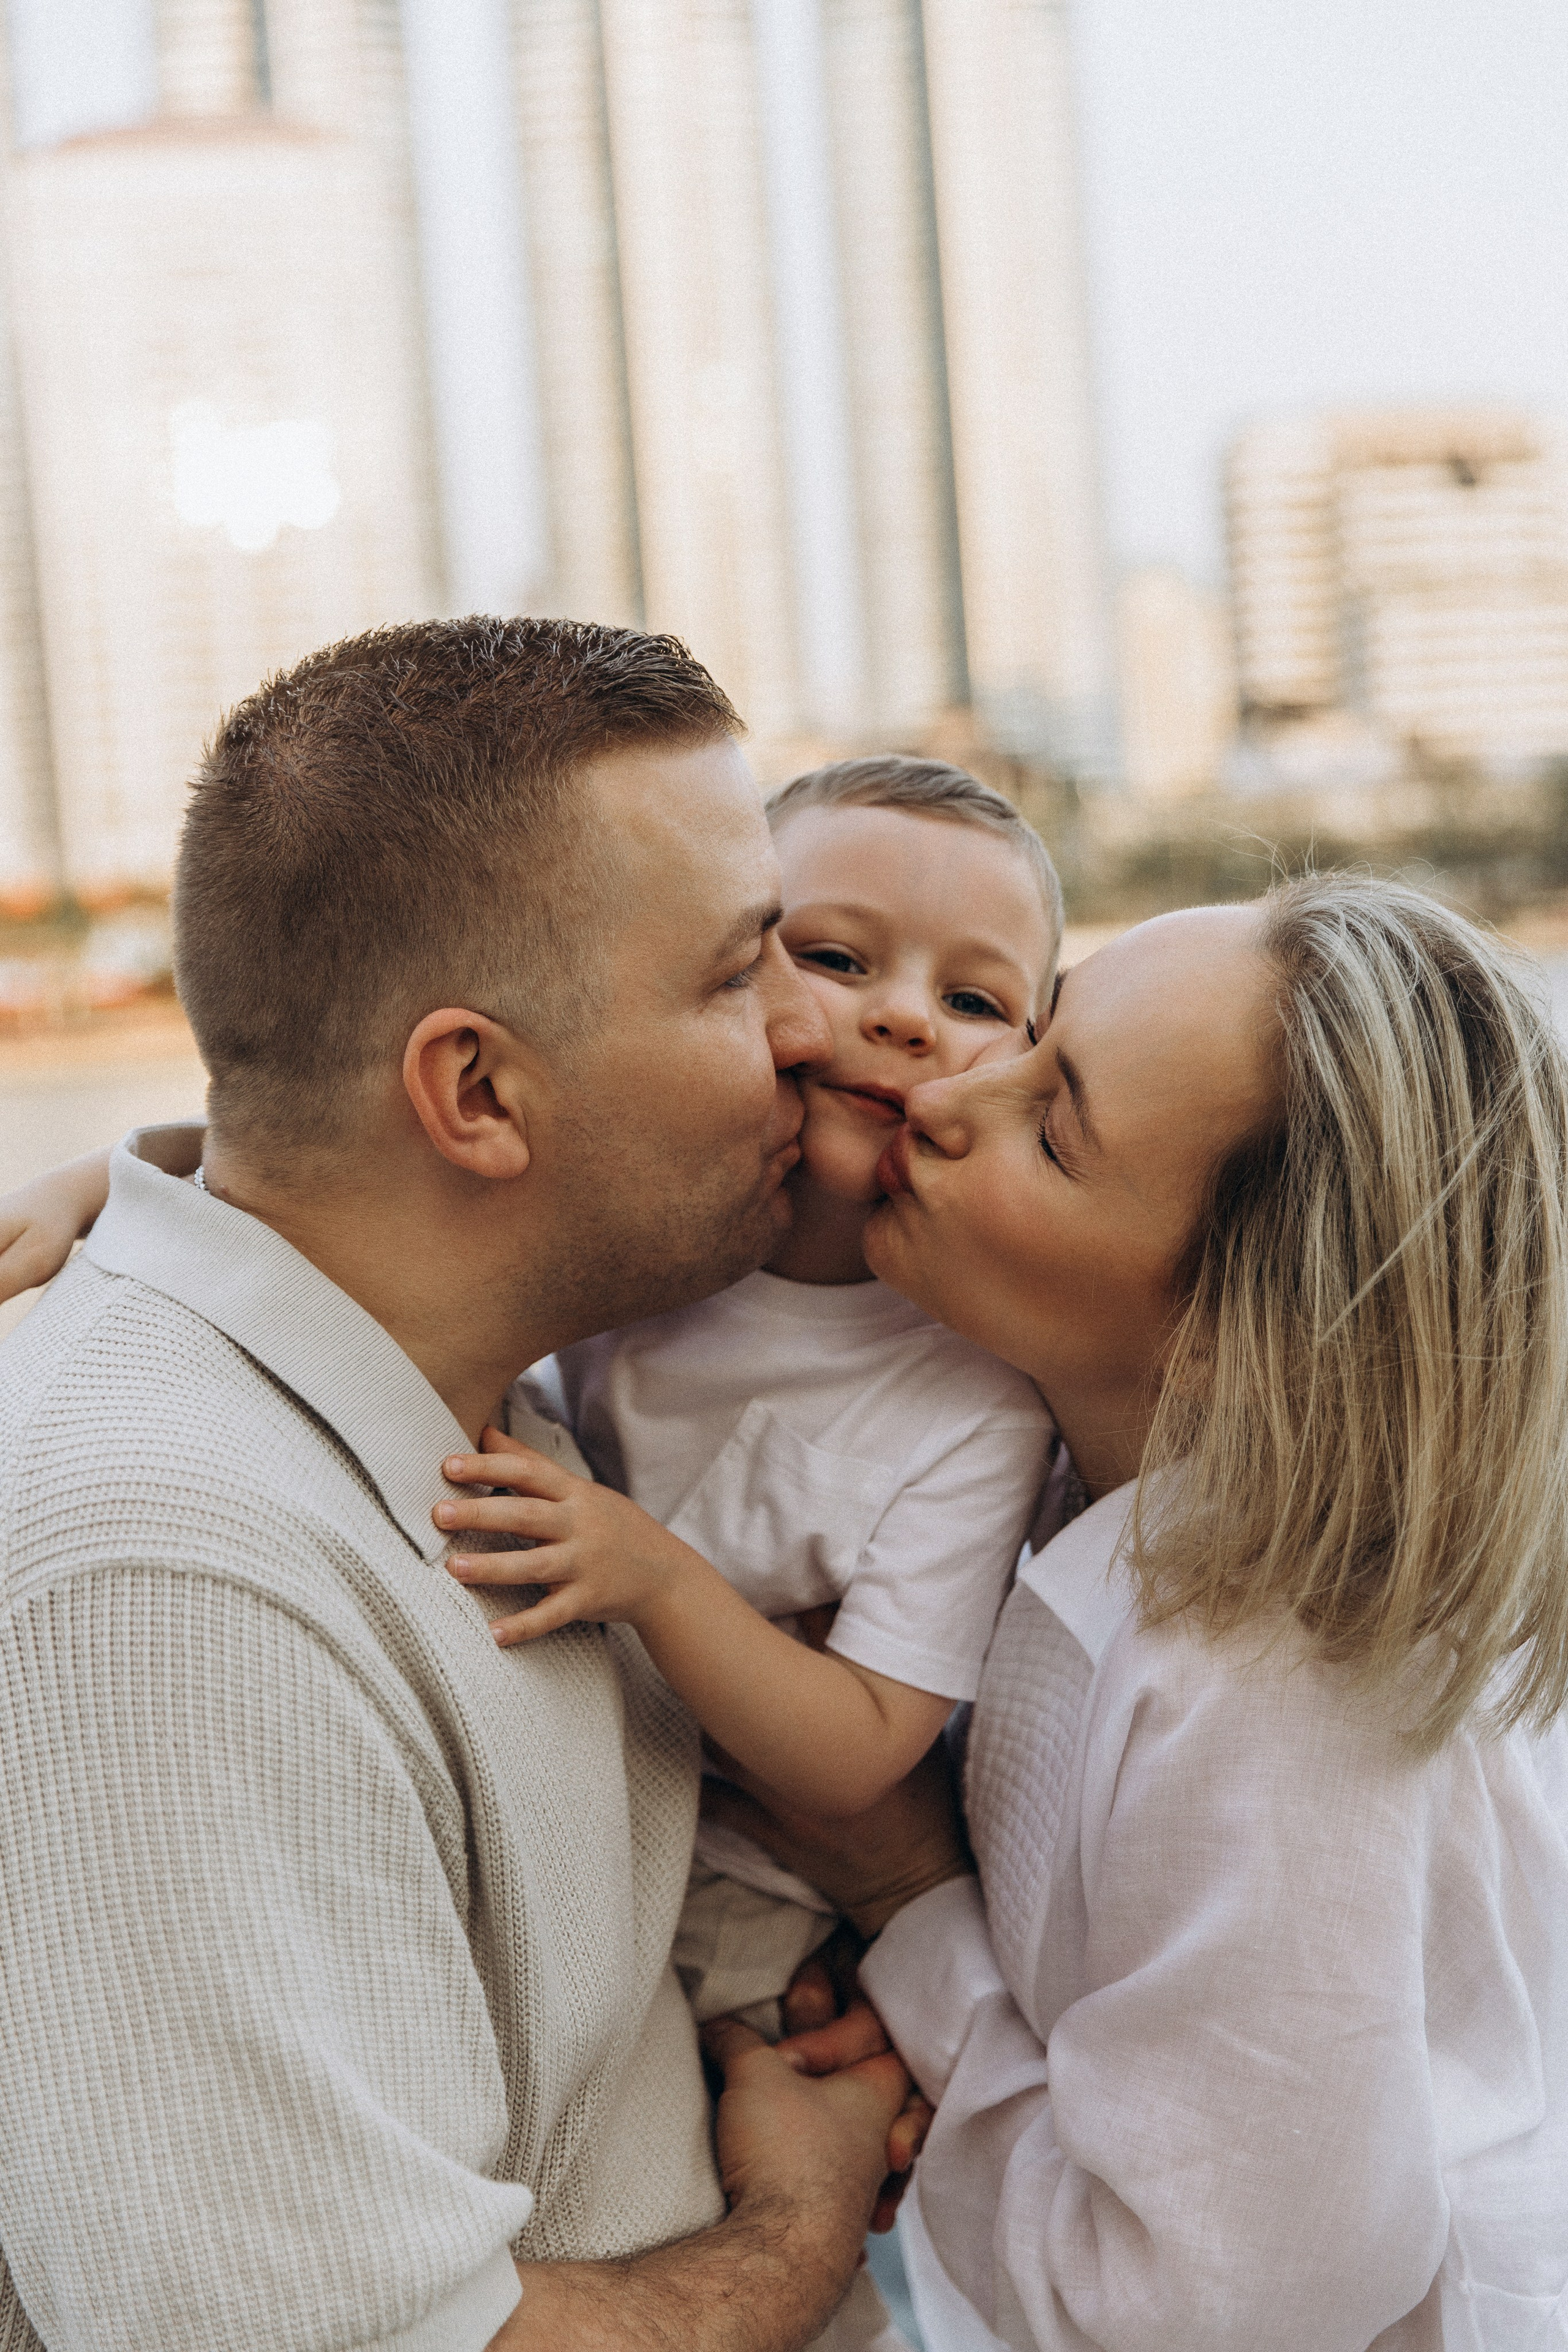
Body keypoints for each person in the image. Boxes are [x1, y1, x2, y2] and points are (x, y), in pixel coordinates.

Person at [0, 617, 928, 2352]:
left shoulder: (485, 1376)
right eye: (738, 975)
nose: (817, 1033)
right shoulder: (168, 1583)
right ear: (477, 1092)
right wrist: (801, 2223)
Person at [724, 878, 1568, 2350]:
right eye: (1032, 1034)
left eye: (1052, 1132)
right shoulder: (1061, 1478)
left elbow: (1181, 2315)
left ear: (1246, 1329)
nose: (946, 1095)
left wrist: (907, 1904)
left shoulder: (1276, 1698)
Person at [432, 758, 1061, 2034]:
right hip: (540, 1804)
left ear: (1034, 1058)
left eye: (971, 998)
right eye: (835, 959)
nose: (904, 1018)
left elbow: (864, 1746)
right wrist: (128, 1175)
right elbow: (382, 1175)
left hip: (756, 1920)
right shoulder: (648, 1224)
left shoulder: (976, 1393)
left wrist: (655, 1579)